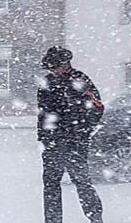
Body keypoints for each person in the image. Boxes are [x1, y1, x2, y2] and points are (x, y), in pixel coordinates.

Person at [37, 46, 104, 223]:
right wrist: (44, 138)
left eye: (55, 66)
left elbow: (97, 108)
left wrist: (82, 130)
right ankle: (52, 220)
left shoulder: (80, 81)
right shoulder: (46, 83)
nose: (53, 71)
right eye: (50, 67)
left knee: (82, 182)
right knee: (51, 185)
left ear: (66, 64)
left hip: (75, 142)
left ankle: (95, 218)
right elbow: (43, 114)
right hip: (52, 143)